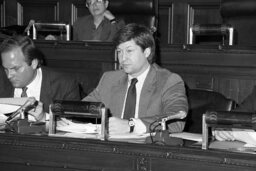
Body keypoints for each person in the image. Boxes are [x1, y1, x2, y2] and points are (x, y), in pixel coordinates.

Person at [83, 23, 188, 135]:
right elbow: (83, 108)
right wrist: (66, 117)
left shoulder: (169, 80)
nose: (123, 58)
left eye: (129, 51)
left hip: (147, 149)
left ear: (146, 52)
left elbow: (176, 120)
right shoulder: (109, 79)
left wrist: (131, 125)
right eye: (119, 51)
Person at [0, 35, 81, 121]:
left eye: (15, 68)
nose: (9, 75)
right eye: (6, 69)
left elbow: (73, 125)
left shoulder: (65, 85)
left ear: (34, 63)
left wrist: (45, 118)